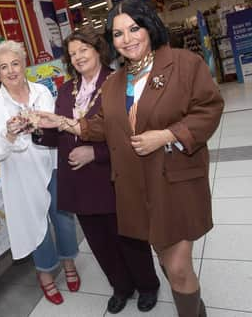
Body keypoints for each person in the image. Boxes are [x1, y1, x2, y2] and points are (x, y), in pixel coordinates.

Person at [38, 0, 223, 317]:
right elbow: (100, 127)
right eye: (118, 33)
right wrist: (63, 123)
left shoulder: (183, 63)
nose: (128, 38)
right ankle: (189, 299)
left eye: (134, 28)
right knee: (166, 259)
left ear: (149, 27)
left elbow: (209, 108)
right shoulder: (115, 83)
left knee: (178, 265)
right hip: (135, 187)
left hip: (174, 180)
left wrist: (167, 135)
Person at [36, 32, 160, 313]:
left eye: (84, 49)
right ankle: (121, 286)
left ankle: (147, 284)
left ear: (97, 50)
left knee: (129, 236)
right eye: (73, 53)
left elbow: (131, 133)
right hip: (78, 183)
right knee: (99, 241)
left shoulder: (118, 83)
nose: (78, 56)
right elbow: (58, 135)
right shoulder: (67, 90)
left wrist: (95, 152)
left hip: (111, 176)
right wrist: (37, 131)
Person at [0, 40, 79, 305]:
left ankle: (69, 263)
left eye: (15, 63)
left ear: (24, 63)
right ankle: (46, 275)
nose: (11, 70)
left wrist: (42, 127)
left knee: (63, 220)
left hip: (52, 167)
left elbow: (56, 127)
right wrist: (9, 134)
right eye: (4, 67)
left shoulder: (42, 91)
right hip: (23, 177)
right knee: (36, 227)